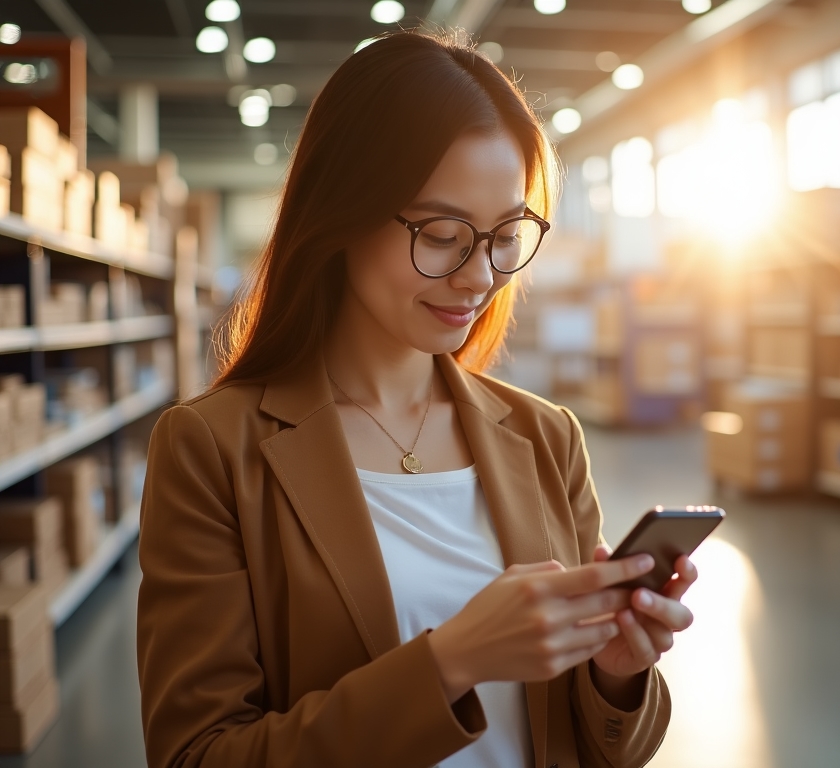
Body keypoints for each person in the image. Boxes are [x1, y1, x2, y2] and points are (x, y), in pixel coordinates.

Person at [136, 30, 698, 768]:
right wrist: (449, 662)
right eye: (442, 234)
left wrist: (616, 675)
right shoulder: (211, 450)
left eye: (505, 235)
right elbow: (197, 755)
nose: (480, 276)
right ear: (342, 210)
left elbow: (596, 746)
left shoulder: (546, 436)